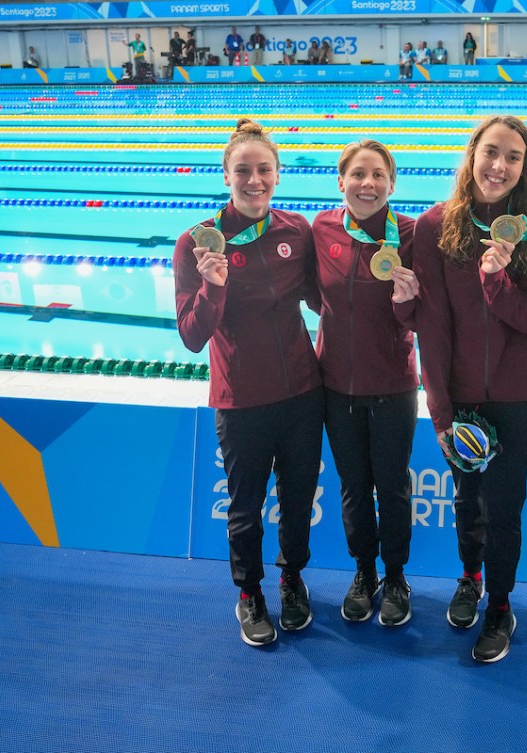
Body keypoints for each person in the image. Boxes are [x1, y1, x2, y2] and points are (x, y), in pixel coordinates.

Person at [413, 116, 527, 663]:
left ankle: (500, 604)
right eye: (491, 152)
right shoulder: (434, 228)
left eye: (514, 157)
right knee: (466, 499)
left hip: (519, 394)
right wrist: (441, 410)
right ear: (472, 153)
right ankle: (470, 578)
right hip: (461, 397)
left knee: (505, 506)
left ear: (526, 166)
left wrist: (496, 281)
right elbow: (432, 326)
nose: (500, 166)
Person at [174, 119, 323, 647]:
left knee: (299, 498)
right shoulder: (197, 243)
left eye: (264, 170)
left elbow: (318, 298)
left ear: (278, 175)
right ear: (226, 175)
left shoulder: (296, 231)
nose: (254, 180)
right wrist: (214, 287)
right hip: (240, 401)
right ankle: (249, 593)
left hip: (303, 395)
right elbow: (192, 337)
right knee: (245, 504)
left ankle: (292, 578)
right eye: (243, 170)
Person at [311, 140, 420, 627]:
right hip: (336, 385)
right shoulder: (322, 229)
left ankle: (396, 576)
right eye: (358, 174)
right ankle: (364, 572)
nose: (368, 183)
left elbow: (424, 315)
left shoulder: (411, 234)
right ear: (341, 181)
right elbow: (316, 298)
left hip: (393, 383)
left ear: (392, 184)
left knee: (392, 487)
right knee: (354, 487)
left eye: (378, 175)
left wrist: (405, 302)